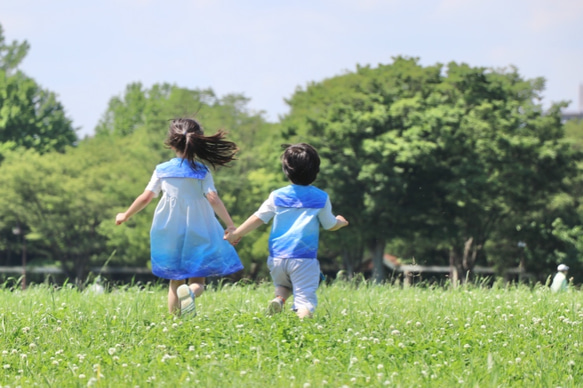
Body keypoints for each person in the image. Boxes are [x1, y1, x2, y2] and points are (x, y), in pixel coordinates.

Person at [116, 118, 243, 316]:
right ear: (197, 141)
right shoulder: (202, 170)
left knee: (175, 280)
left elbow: (146, 197)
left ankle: (175, 323)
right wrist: (230, 225)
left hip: (170, 228)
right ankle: (191, 294)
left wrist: (126, 214)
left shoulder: (162, 170)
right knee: (198, 281)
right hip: (199, 227)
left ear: (171, 142)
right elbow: (213, 198)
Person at [225, 143, 348, 318]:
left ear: (286, 170)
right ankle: (303, 333)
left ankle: (279, 299)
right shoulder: (321, 197)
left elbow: (258, 217)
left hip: (277, 258)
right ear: (316, 170)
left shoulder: (277, 195)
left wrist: (236, 234)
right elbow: (330, 224)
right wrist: (340, 222)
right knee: (305, 301)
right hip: (303, 260)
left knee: (284, 285)